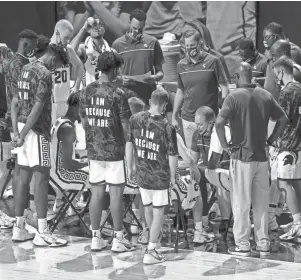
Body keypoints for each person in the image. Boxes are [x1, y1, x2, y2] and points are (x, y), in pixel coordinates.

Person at [215, 61, 288, 257]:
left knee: (241, 201)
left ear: (238, 77)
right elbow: (283, 119)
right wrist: (271, 140)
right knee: (261, 203)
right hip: (262, 157)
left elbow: (219, 123)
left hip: (241, 156)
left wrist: (224, 145)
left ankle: (243, 244)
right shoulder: (266, 95)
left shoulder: (232, 97)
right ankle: (263, 243)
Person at [10, 36, 68, 246]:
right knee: (41, 178)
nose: (56, 68)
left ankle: (19, 227)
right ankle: (43, 231)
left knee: (23, 179)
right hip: (36, 131)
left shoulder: (25, 68)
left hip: (21, 129)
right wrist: (25, 133)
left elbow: (15, 102)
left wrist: (16, 131)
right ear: (52, 57)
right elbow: (37, 108)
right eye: (58, 64)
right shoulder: (44, 74)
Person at [79, 51, 134, 252]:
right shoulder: (119, 94)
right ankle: (118, 239)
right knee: (116, 195)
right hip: (114, 152)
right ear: (114, 69)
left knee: (96, 194)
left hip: (94, 151)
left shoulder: (86, 92)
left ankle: (96, 237)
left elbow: (84, 122)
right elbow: (127, 129)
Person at [126, 88, 178, 264]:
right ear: (164, 106)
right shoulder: (166, 126)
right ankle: (150, 250)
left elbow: (129, 144)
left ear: (150, 101)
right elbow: (172, 154)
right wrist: (172, 176)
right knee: (158, 214)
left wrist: (130, 166)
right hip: (159, 175)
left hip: (142, 173)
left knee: (147, 208)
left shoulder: (135, 119)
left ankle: (152, 242)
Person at [172, 29, 228, 149]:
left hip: (209, 121)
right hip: (188, 120)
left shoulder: (213, 61)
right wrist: (174, 116)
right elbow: (180, 91)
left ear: (200, 43)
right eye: (186, 46)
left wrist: (223, 112)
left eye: (192, 45)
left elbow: (224, 86)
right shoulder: (181, 65)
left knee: (210, 155)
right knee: (192, 158)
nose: (189, 48)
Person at [271, 56, 301, 243]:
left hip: (288, 145)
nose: (277, 79)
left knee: (284, 183)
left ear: (282, 72)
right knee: (296, 183)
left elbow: (282, 120)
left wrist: (272, 140)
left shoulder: (287, 92)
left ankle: (297, 223)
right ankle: (299, 221)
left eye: (277, 75)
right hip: (299, 144)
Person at [190, 106, 232, 236]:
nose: (198, 127)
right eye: (196, 124)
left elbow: (219, 163)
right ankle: (202, 219)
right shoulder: (197, 134)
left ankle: (225, 220)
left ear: (211, 122)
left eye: (201, 124)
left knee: (205, 174)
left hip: (227, 171)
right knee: (195, 175)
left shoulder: (222, 132)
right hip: (211, 170)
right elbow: (193, 159)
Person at [48, 92, 89, 222]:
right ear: (79, 106)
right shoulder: (68, 128)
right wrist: (87, 162)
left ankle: (63, 204)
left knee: (88, 166)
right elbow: (69, 165)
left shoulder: (60, 121)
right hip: (61, 176)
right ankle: (97, 225)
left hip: (53, 172)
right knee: (99, 178)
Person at [112, 9, 164, 108]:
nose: (137, 32)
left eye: (140, 29)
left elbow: (160, 72)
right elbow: (110, 75)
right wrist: (120, 80)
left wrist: (155, 78)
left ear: (144, 25)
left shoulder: (153, 42)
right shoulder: (117, 44)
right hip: (125, 97)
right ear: (129, 23)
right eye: (134, 28)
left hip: (148, 97)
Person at [50, 20, 84, 122]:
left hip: (65, 101)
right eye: (66, 38)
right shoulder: (45, 50)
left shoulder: (67, 49)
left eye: (70, 38)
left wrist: (77, 86)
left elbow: (80, 66)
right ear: (57, 32)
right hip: (50, 102)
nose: (68, 41)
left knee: (67, 132)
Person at [263, 22, 301, 101]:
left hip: (286, 102)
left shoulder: (292, 50)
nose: (264, 41)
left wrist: (270, 58)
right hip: (273, 100)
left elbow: (291, 77)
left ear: (274, 37)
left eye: (266, 37)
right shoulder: (272, 51)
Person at [71, 16, 111, 86]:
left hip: (104, 91)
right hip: (87, 91)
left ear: (104, 29)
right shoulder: (84, 49)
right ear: (89, 30)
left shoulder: (111, 52)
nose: (97, 27)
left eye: (100, 24)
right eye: (94, 25)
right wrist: (83, 29)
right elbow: (70, 51)